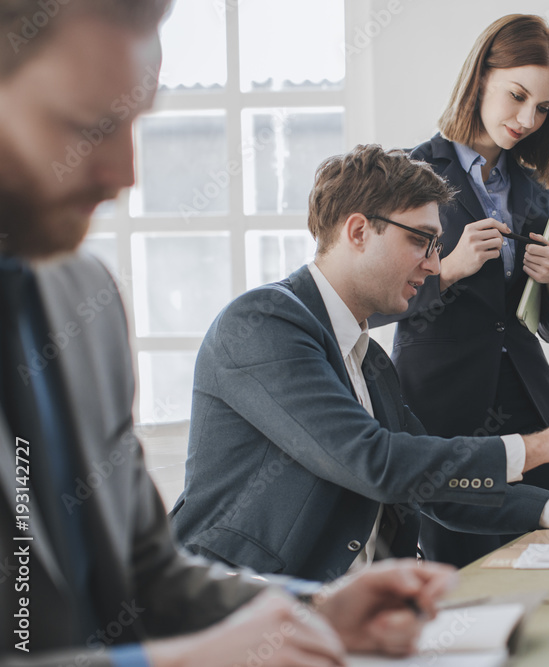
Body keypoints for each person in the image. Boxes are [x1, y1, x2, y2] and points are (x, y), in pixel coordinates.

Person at [0, 2, 458, 666]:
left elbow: (149, 572)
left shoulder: (87, 300)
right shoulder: (264, 324)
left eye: (132, 124)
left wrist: (315, 609)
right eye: (86, 127)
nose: (125, 174)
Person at [170, 144, 549, 581]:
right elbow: (373, 461)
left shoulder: (372, 365)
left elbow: (435, 490)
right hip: (243, 614)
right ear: (359, 231)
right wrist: (544, 445)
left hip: (350, 620)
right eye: (422, 241)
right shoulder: (263, 323)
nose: (433, 263)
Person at [368, 14, 549, 568]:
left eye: (543, 107)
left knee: (539, 573)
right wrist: (450, 269)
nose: (527, 118)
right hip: (442, 413)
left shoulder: (538, 191)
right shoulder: (408, 173)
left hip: (534, 410)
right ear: (481, 76)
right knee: (457, 584)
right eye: (517, 95)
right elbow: (368, 302)